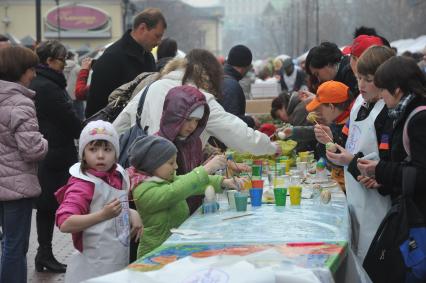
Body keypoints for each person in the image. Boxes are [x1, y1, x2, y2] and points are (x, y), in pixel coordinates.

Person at [113, 49, 280, 156]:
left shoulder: (152, 87)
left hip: (138, 172)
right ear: (209, 75)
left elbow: (117, 128)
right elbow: (237, 132)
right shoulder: (199, 97)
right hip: (173, 175)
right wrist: (270, 147)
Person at [357, 56, 426, 282]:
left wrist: (380, 170)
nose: (381, 96)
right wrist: (383, 178)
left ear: (397, 90)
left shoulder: (418, 119)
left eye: (383, 90)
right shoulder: (404, 113)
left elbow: (420, 174)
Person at [325, 46, 395, 261]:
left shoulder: (387, 112)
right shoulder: (359, 104)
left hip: (379, 203)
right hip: (355, 195)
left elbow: (390, 163)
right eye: (358, 78)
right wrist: (330, 141)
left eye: (368, 79)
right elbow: (347, 142)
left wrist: (351, 160)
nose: (361, 85)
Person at [55, 121, 142, 283]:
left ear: (116, 153)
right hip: (92, 268)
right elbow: (65, 222)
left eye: (107, 149)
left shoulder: (118, 175)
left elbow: (112, 203)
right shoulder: (83, 184)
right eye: (93, 149)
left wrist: (131, 212)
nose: (100, 155)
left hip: (116, 261)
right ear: (83, 154)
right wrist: (103, 215)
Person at [127, 135, 240, 258]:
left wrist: (223, 182)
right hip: (155, 254)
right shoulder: (142, 189)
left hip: (174, 248)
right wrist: (205, 169)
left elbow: (194, 185)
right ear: (152, 164)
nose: (176, 166)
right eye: (171, 163)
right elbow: (175, 191)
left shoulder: (167, 179)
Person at [30, 40, 82, 273]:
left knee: (47, 207)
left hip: (51, 151)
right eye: (62, 60)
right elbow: (69, 121)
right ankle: (45, 253)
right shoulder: (49, 87)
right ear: (49, 61)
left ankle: (44, 253)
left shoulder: (40, 82)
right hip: (55, 154)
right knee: (50, 206)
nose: (65, 65)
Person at [0, 46, 48, 283]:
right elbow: (32, 150)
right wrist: (45, 141)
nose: (35, 75)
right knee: (15, 247)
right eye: (31, 69)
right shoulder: (21, 103)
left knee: (5, 243)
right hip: (17, 188)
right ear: (20, 70)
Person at [86, 8, 167, 117]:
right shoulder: (111, 57)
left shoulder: (149, 58)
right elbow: (95, 109)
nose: (158, 42)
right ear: (142, 28)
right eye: (157, 36)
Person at [157, 85, 211, 214]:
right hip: (170, 220)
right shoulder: (158, 146)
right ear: (174, 116)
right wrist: (206, 169)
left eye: (197, 121)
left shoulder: (194, 142)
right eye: (188, 119)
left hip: (193, 215)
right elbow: (164, 192)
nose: (192, 126)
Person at [305, 80, 354, 190]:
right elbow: (324, 156)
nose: (317, 111)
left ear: (331, 107)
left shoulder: (351, 126)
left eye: (320, 108)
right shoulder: (335, 122)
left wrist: (329, 141)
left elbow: (341, 162)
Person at [220, 45, 259, 129]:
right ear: (245, 67)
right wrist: (251, 120)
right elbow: (231, 121)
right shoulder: (232, 86)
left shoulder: (220, 77)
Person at [63, 51, 85, 120]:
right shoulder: (77, 67)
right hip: (76, 94)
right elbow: (83, 78)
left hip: (66, 94)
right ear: (72, 57)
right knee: (80, 115)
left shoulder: (62, 66)